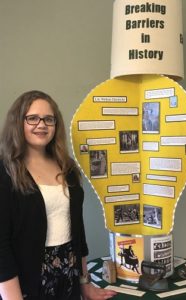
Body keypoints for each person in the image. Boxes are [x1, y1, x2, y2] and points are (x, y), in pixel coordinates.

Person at [0, 91, 117, 300]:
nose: (42, 124)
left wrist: (85, 284)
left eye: (49, 119)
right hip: (26, 282)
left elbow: (78, 231)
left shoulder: (67, 167)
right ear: (18, 122)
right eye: (33, 118)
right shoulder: (6, 170)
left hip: (68, 274)